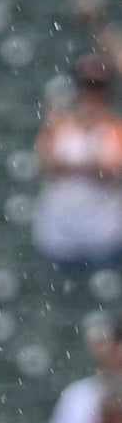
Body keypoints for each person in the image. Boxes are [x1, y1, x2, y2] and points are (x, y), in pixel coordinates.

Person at [36, 54, 122, 273]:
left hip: (103, 234)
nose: (91, 94)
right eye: (86, 85)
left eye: (97, 86)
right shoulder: (59, 125)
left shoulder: (113, 127)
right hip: (60, 233)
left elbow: (112, 169)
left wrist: (76, 163)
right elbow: (47, 163)